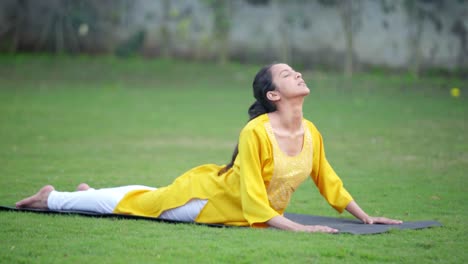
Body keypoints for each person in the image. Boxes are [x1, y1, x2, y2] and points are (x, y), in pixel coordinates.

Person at [16, 63, 402, 233]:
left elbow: (327, 179)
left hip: (227, 200)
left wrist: (365, 217)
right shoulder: (256, 132)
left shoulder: (312, 132)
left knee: (146, 197)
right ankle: (51, 199)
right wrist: (301, 229)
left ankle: (92, 193)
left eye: (295, 70)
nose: (298, 74)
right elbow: (253, 202)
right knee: (142, 206)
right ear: (273, 94)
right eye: (288, 74)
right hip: (206, 201)